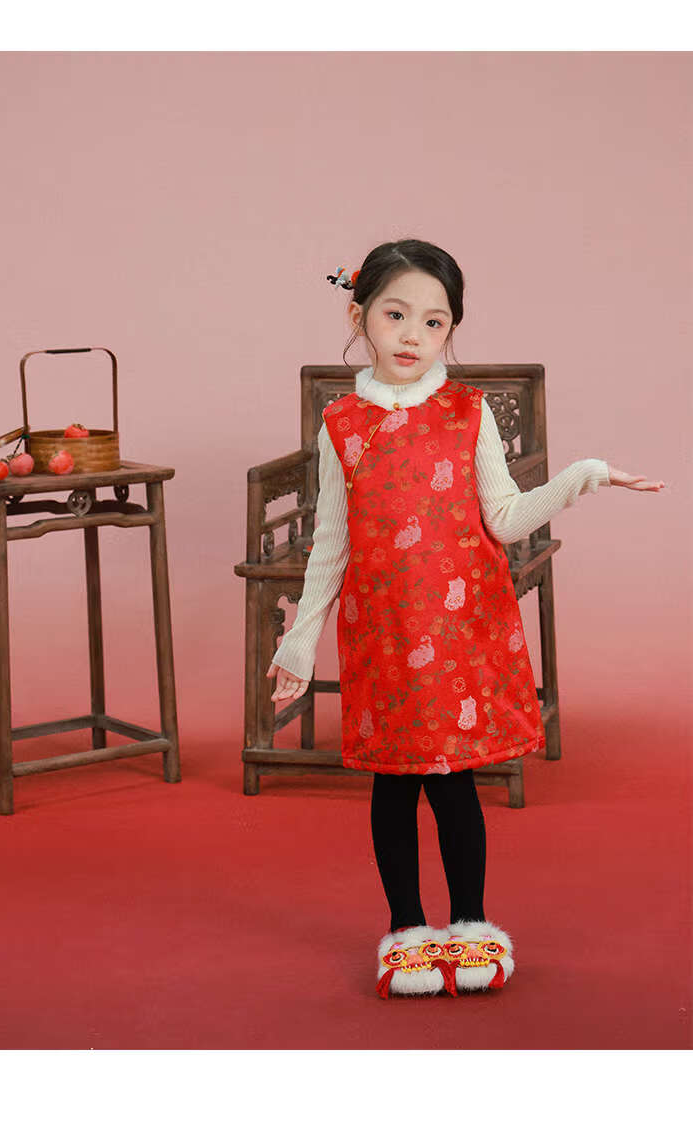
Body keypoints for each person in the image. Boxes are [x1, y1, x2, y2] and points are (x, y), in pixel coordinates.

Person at [267, 238, 662, 1001]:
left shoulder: (466, 411)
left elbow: (505, 517)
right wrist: (300, 638)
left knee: (455, 786)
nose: (413, 335)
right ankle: (407, 930)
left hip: (458, 635)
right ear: (359, 316)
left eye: (434, 322)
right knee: (392, 785)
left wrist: (582, 477)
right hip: (383, 634)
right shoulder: (341, 424)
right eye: (395, 315)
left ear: (451, 329)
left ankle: (472, 922)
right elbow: (331, 542)